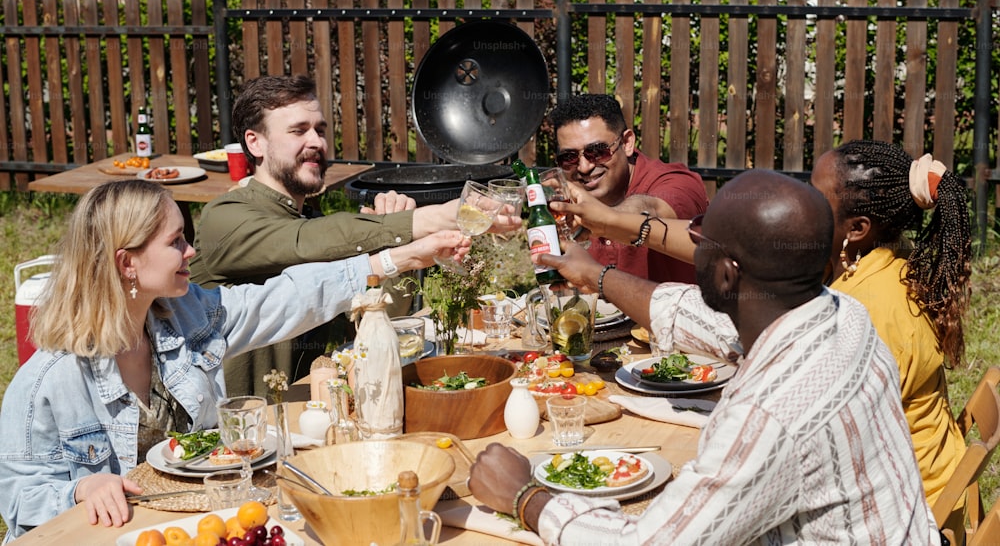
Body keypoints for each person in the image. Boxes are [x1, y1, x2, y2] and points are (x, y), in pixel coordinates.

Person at [469, 170, 940, 544]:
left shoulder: (768, 416)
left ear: (729, 276)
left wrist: (525, 497)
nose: (690, 244)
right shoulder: (844, 314)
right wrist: (597, 275)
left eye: (701, 240)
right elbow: (704, 318)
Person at [0, 179, 467, 540]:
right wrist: (79, 490)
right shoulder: (48, 379)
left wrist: (400, 258)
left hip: (201, 529)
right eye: (175, 241)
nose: (191, 251)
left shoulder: (185, 315)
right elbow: (16, 496)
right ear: (128, 263)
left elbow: (287, 297)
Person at [190, 75, 513, 396]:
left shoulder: (317, 224)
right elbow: (301, 242)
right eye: (298, 130)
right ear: (254, 142)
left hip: (310, 417)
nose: (316, 142)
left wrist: (395, 244)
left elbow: (377, 323)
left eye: (320, 130)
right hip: (227, 435)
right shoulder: (224, 218)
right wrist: (425, 219)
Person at [811, 140, 970, 536]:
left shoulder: (865, 311)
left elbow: (826, 441)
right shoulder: (894, 261)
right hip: (933, 489)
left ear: (858, 229)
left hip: (908, 518)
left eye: (815, 199)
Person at [549, 93, 707, 283]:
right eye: (569, 157)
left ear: (627, 143)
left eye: (597, 152)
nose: (584, 167)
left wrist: (608, 219)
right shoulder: (569, 204)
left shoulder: (675, 182)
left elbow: (652, 208)